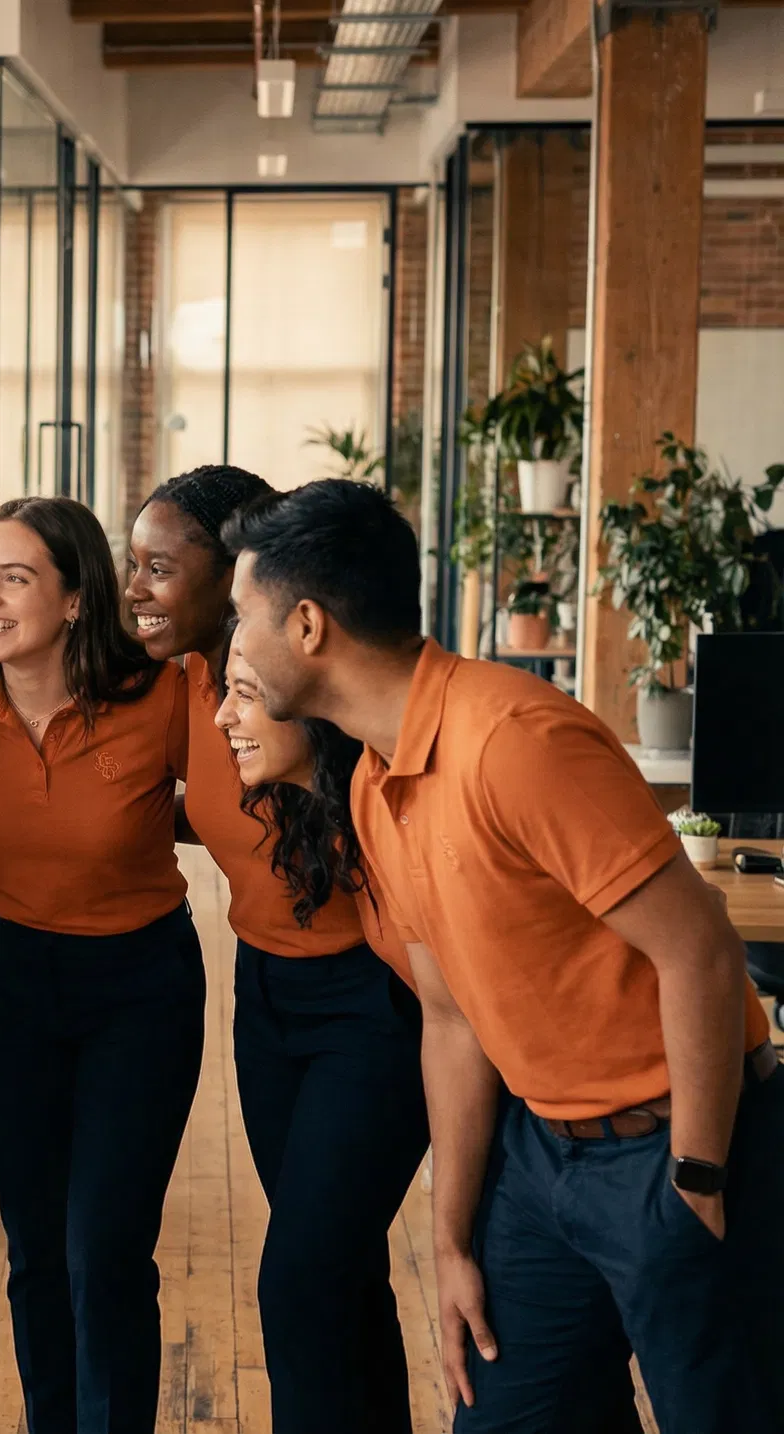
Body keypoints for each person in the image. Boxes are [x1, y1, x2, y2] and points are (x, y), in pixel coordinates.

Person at [226, 478, 784, 1433]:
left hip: (683, 1144)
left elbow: (700, 951)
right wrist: (453, 1243)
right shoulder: (373, 781)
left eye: (243, 617)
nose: (231, 644)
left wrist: (695, 1178)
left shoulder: (516, 740)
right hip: (539, 1161)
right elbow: (450, 1020)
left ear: (308, 626)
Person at [126, 467, 427, 1433]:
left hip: (372, 1007)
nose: (139, 587)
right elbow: (198, 807)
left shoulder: (320, 693)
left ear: (236, 575)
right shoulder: (195, 685)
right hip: (266, 999)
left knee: (301, 1278)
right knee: (338, 1268)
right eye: (133, 565)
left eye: (161, 568)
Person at [0, 496, 195, 1434]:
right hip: (13, 981)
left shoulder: (161, 698)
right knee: (36, 1249)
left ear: (78, 600)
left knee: (106, 1250)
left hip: (141, 989)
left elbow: (261, 786)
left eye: (16, 576)